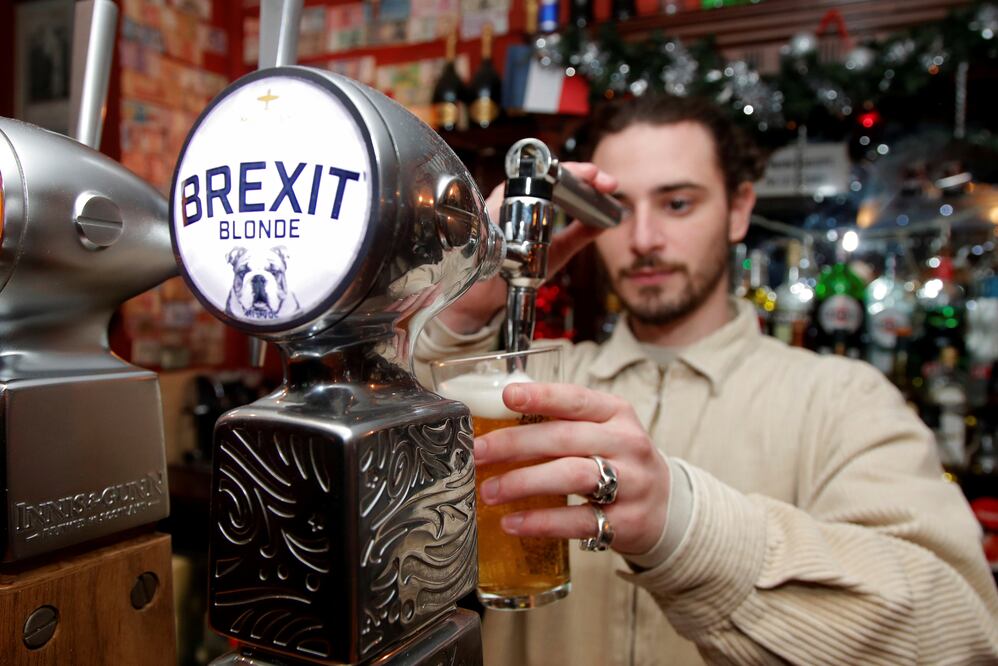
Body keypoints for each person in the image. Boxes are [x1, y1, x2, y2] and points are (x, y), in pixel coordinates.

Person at [414, 94, 998, 664]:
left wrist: (686, 528)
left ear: (739, 208)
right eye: (620, 211)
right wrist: (460, 308)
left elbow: (963, 632)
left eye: (677, 204)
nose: (643, 240)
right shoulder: (532, 384)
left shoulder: (845, 400)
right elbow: (384, 526)